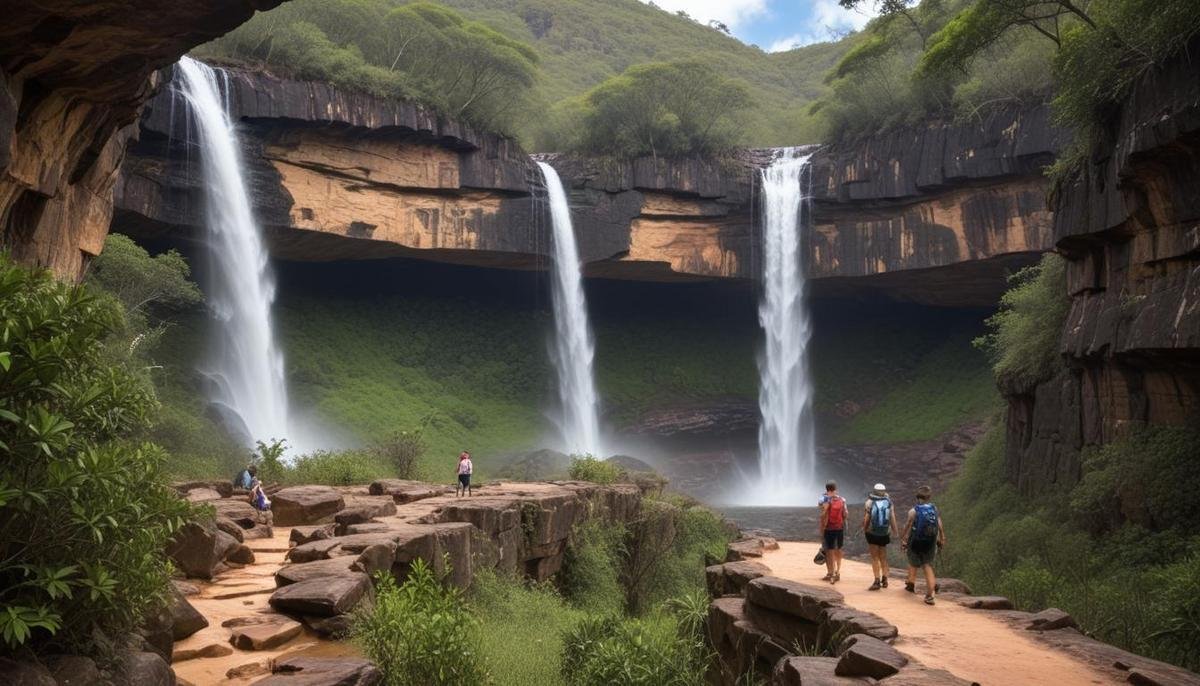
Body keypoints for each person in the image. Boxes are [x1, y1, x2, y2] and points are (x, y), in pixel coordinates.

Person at [901, 485, 946, 605]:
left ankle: (911, 584)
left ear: (917, 497)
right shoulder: (934, 509)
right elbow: (939, 524)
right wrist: (942, 537)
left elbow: (908, 526)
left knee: (913, 561)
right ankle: (930, 595)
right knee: (927, 566)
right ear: (929, 497)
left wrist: (903, 538)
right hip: (930, 542)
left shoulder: (913, 511)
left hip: (915, 542)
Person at [862, 482, 899, 591]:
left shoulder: (869, 502)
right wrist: (895, 531)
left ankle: (877, 580)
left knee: (874, 557)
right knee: (883, 556)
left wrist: (864, 529)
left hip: (872, 533)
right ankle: (885, 579)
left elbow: (867, 519)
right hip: (884, 533)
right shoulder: (889, 503)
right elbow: (892, 518)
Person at [818, 481, 847, 584]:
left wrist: (821, 527)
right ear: (835, 488)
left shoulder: (824, 499)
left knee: (829, 551)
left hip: (828, 528)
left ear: (826, 489)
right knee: (838, 550)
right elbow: (846, 514)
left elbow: (822, 511)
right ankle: (837, 572)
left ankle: (831, 573)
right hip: (839, 528)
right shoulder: (842, 499)